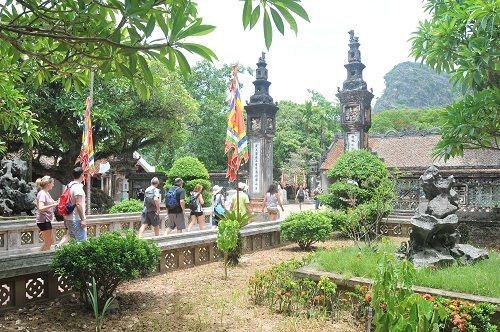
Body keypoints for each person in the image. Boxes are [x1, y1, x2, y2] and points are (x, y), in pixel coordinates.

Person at [35, 176, 58, 251]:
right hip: (43, 220)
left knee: (50, 241)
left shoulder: (47, 193)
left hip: (47, 220)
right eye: (52, 183)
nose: (53, 185)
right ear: (48, 183)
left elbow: (53, 202)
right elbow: (41, 207)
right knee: (48, 242)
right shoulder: (42, 194)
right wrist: (53, 205)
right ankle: (44, 258)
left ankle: (38, 255)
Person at [65, 167, 87, 242]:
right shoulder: (78, 187)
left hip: (68, 218)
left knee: (73, 243)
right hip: (76, 218)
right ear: (81, 175)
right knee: (82, 242)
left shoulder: (68, 186)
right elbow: (78, 204)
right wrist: (83, 220)